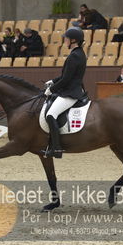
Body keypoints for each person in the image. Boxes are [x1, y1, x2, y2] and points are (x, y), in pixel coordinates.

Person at [43, 27, 87, 158]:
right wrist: (52, 81)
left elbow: (67, 79)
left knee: (51, 115)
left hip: (71, 92)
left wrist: (51, 89)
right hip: (71, 89)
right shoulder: (78, 53)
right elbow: (65, 75)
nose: (65, 41)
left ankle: (56, 148)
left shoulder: (75, 56)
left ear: (73, 40)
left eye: (66, 39)